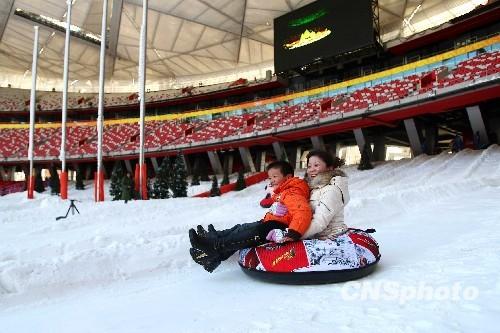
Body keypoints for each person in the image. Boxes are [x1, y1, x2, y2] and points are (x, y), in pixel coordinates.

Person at [189, 160, 312, 272]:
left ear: (288, 177)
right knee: (243, 229)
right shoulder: (284, 190)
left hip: (279, 226)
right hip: (272, 222)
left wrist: (294, 232)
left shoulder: (292, 192)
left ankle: (214, 246)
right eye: (270, 177)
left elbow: (302, 211)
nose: (272, 180)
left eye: (275, 176)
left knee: (251, 233)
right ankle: (213, 247)